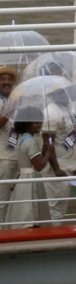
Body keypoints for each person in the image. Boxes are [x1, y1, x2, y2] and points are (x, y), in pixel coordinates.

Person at [4, 111, 57, 228]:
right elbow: (39, 166)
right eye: (36, 122)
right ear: (27, 123)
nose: (39, 125)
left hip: (22, 179)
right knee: (31, 215)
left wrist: (43, 152)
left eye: (40, 122)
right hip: (31, 181)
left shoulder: (22, 139)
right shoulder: (31, 142)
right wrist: (49, 152)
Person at [41, 91, 76, 221]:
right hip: (59, 167)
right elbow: (47, 144)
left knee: (62, 205)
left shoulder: (67, 108)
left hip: (69, 164)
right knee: (55, 206)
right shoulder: (51, 113)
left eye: (67, 90)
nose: (66, 93)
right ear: (54, 94)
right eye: (62, 91)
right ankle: (52, 236)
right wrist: (57, 169)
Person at [0, 65, 20, 222]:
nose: (7, 82)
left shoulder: (13, 100)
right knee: (3, 195)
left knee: (15, 195)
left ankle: (10, 226)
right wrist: (10, 108)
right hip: (3, 156)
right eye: (2, 79)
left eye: (9, 79)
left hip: (17, 154)